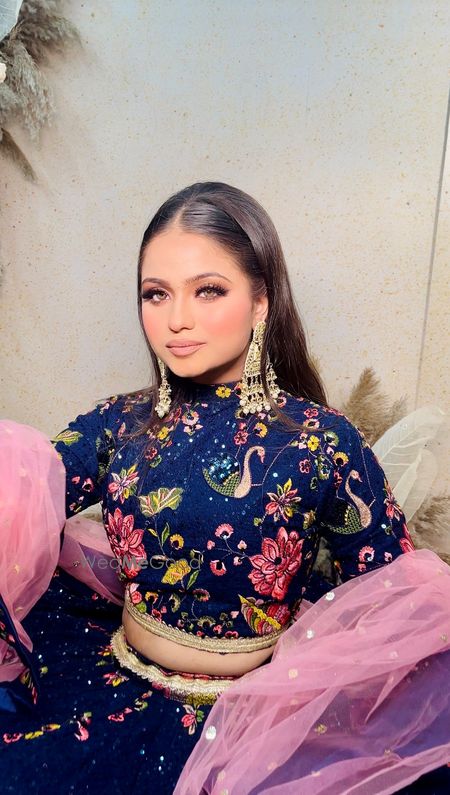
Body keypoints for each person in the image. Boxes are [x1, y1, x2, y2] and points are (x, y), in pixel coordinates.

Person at [0, 182, 449, 794]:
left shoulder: (321, 441)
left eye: (208, 290)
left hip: (254, 723)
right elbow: (25, 487)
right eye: (156, 294)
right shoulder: (120, 423)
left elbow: (397, 598)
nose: (176, 319)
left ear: (261, 301)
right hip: (111, 678)